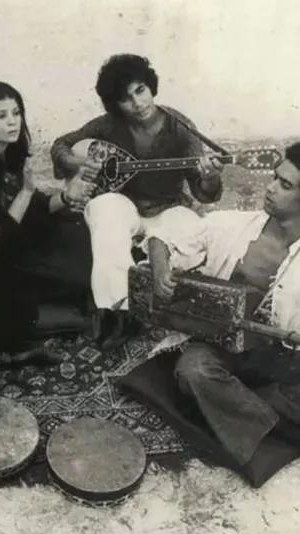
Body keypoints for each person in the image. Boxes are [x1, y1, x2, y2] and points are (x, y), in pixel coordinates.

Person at [151, 142, 300, 465]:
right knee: (192, 370)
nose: (269, 189)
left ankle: (241, 409)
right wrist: (160, 267)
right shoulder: (227, 225)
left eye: (284, 185)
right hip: (222, 350)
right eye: (274, 177)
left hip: (279, 357)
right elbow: (163, 239)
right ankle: (286, 430)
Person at [50, 54, 225, 343]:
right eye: (126, 98)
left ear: (151, 87)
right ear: (115, 104)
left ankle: (156, 279)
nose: (138, 103)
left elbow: (203, 193)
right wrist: (78, 164)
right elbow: (61, 146)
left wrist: (209, 176)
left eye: (140, 90)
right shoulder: (108, 125)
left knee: (192, 227)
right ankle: (115, 312)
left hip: (168, 210)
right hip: (126, 210)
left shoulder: (179, 127)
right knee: (103, 207)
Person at [0, 81, 93, 343]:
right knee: (59, 281)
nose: (12, 122)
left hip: (23, 242)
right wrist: (25, 192)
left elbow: (38, 209)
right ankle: (44, 316)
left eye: (16, 113)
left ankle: (61, 303)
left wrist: (66, 196)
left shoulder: (11, 155)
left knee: (82, 233)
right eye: (1, 116)